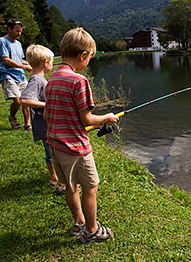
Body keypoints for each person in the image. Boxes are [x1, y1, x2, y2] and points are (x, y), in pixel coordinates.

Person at [45, 27, 118, 243]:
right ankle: (92, 230)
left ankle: (79, 222)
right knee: (90, 187)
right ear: (83, 55)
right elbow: (87, 119)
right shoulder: (79, 81)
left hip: (55, 146)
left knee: (70, 186)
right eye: (89, 59)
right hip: (75, 148)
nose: (88, 64)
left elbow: (49, 115)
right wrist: (107, 118)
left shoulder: (52, 80)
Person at [19, 44, 65, 195]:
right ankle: (54, 179)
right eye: (51, 62)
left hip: (46, 123)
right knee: (50, 152)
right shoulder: (37, 80)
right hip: (44, 124)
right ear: (45, 63)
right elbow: (24, 100)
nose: (52, 64)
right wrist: (48, 104)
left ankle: (56, 177)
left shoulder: (38, 78)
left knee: (51, 150)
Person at [0, 19, 32, 130]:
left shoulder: (19, 44)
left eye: (20, 31)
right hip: (7, 74)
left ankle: (28, 124)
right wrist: (24, 67)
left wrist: (31, 64)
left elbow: (19, 60)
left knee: (26, 100)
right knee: (17, 100)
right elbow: (6, 60)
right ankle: (12, 116)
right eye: (16, 31)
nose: (19, 33)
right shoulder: (2, 41)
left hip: (20, 75)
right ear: (9, 29)